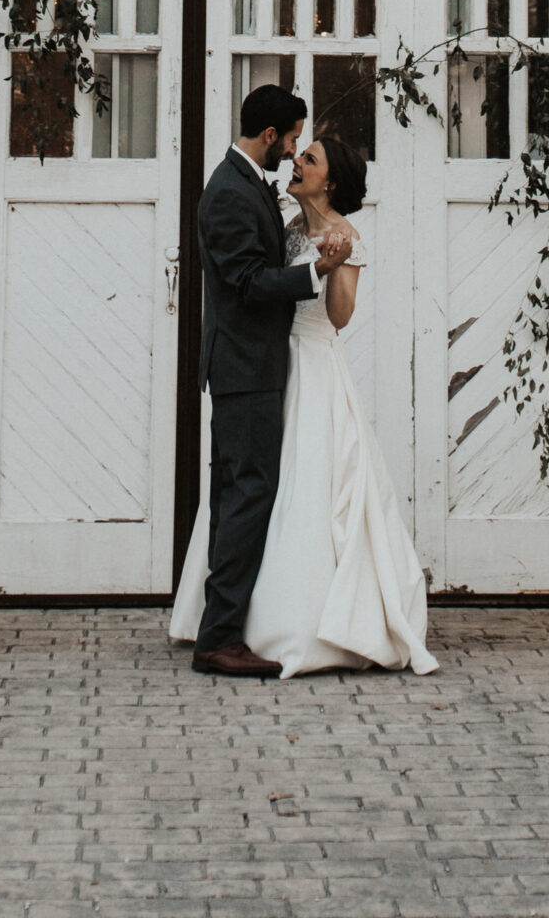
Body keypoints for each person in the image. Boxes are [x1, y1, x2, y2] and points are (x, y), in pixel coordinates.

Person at [173, 120, 438, 679]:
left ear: (330, 183)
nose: (297, 163)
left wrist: (336, 266)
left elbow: (339, 317)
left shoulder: (346, 234)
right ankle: (231, 618)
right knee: (253, 486)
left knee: (305, 490)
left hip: (313, 365)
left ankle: (296, 619)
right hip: (270, 363)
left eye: (309, 160)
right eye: (300, 153)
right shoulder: (288, 225)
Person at [180, 86, 350, 677]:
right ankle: (219, 639)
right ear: (272, 134)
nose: (297, 148)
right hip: (245, 368)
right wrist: (315, 271)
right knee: (247, 496)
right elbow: (250, 283)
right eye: (295, 136)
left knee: (235, 497)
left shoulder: (245, 184)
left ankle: (220, 625)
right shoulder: (229, 193)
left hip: (244, 367)